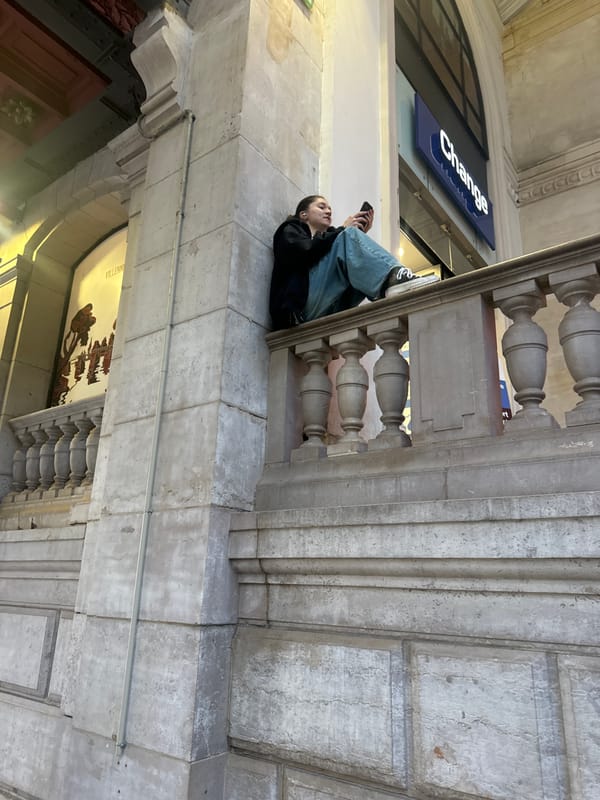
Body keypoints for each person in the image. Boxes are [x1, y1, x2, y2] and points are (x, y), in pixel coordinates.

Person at [269, 195, 439, 330]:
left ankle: (388, 290)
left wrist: (354, 238)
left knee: (354, 255)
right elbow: (305, 252)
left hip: (319, 308)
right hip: (298, 309)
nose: (328, 211)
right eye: (321, 207)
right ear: (303, 214)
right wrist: (343, 231)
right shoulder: (290, 229)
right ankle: (394, 279)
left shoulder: (326, 241)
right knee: (348, 237)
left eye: (329, 208)